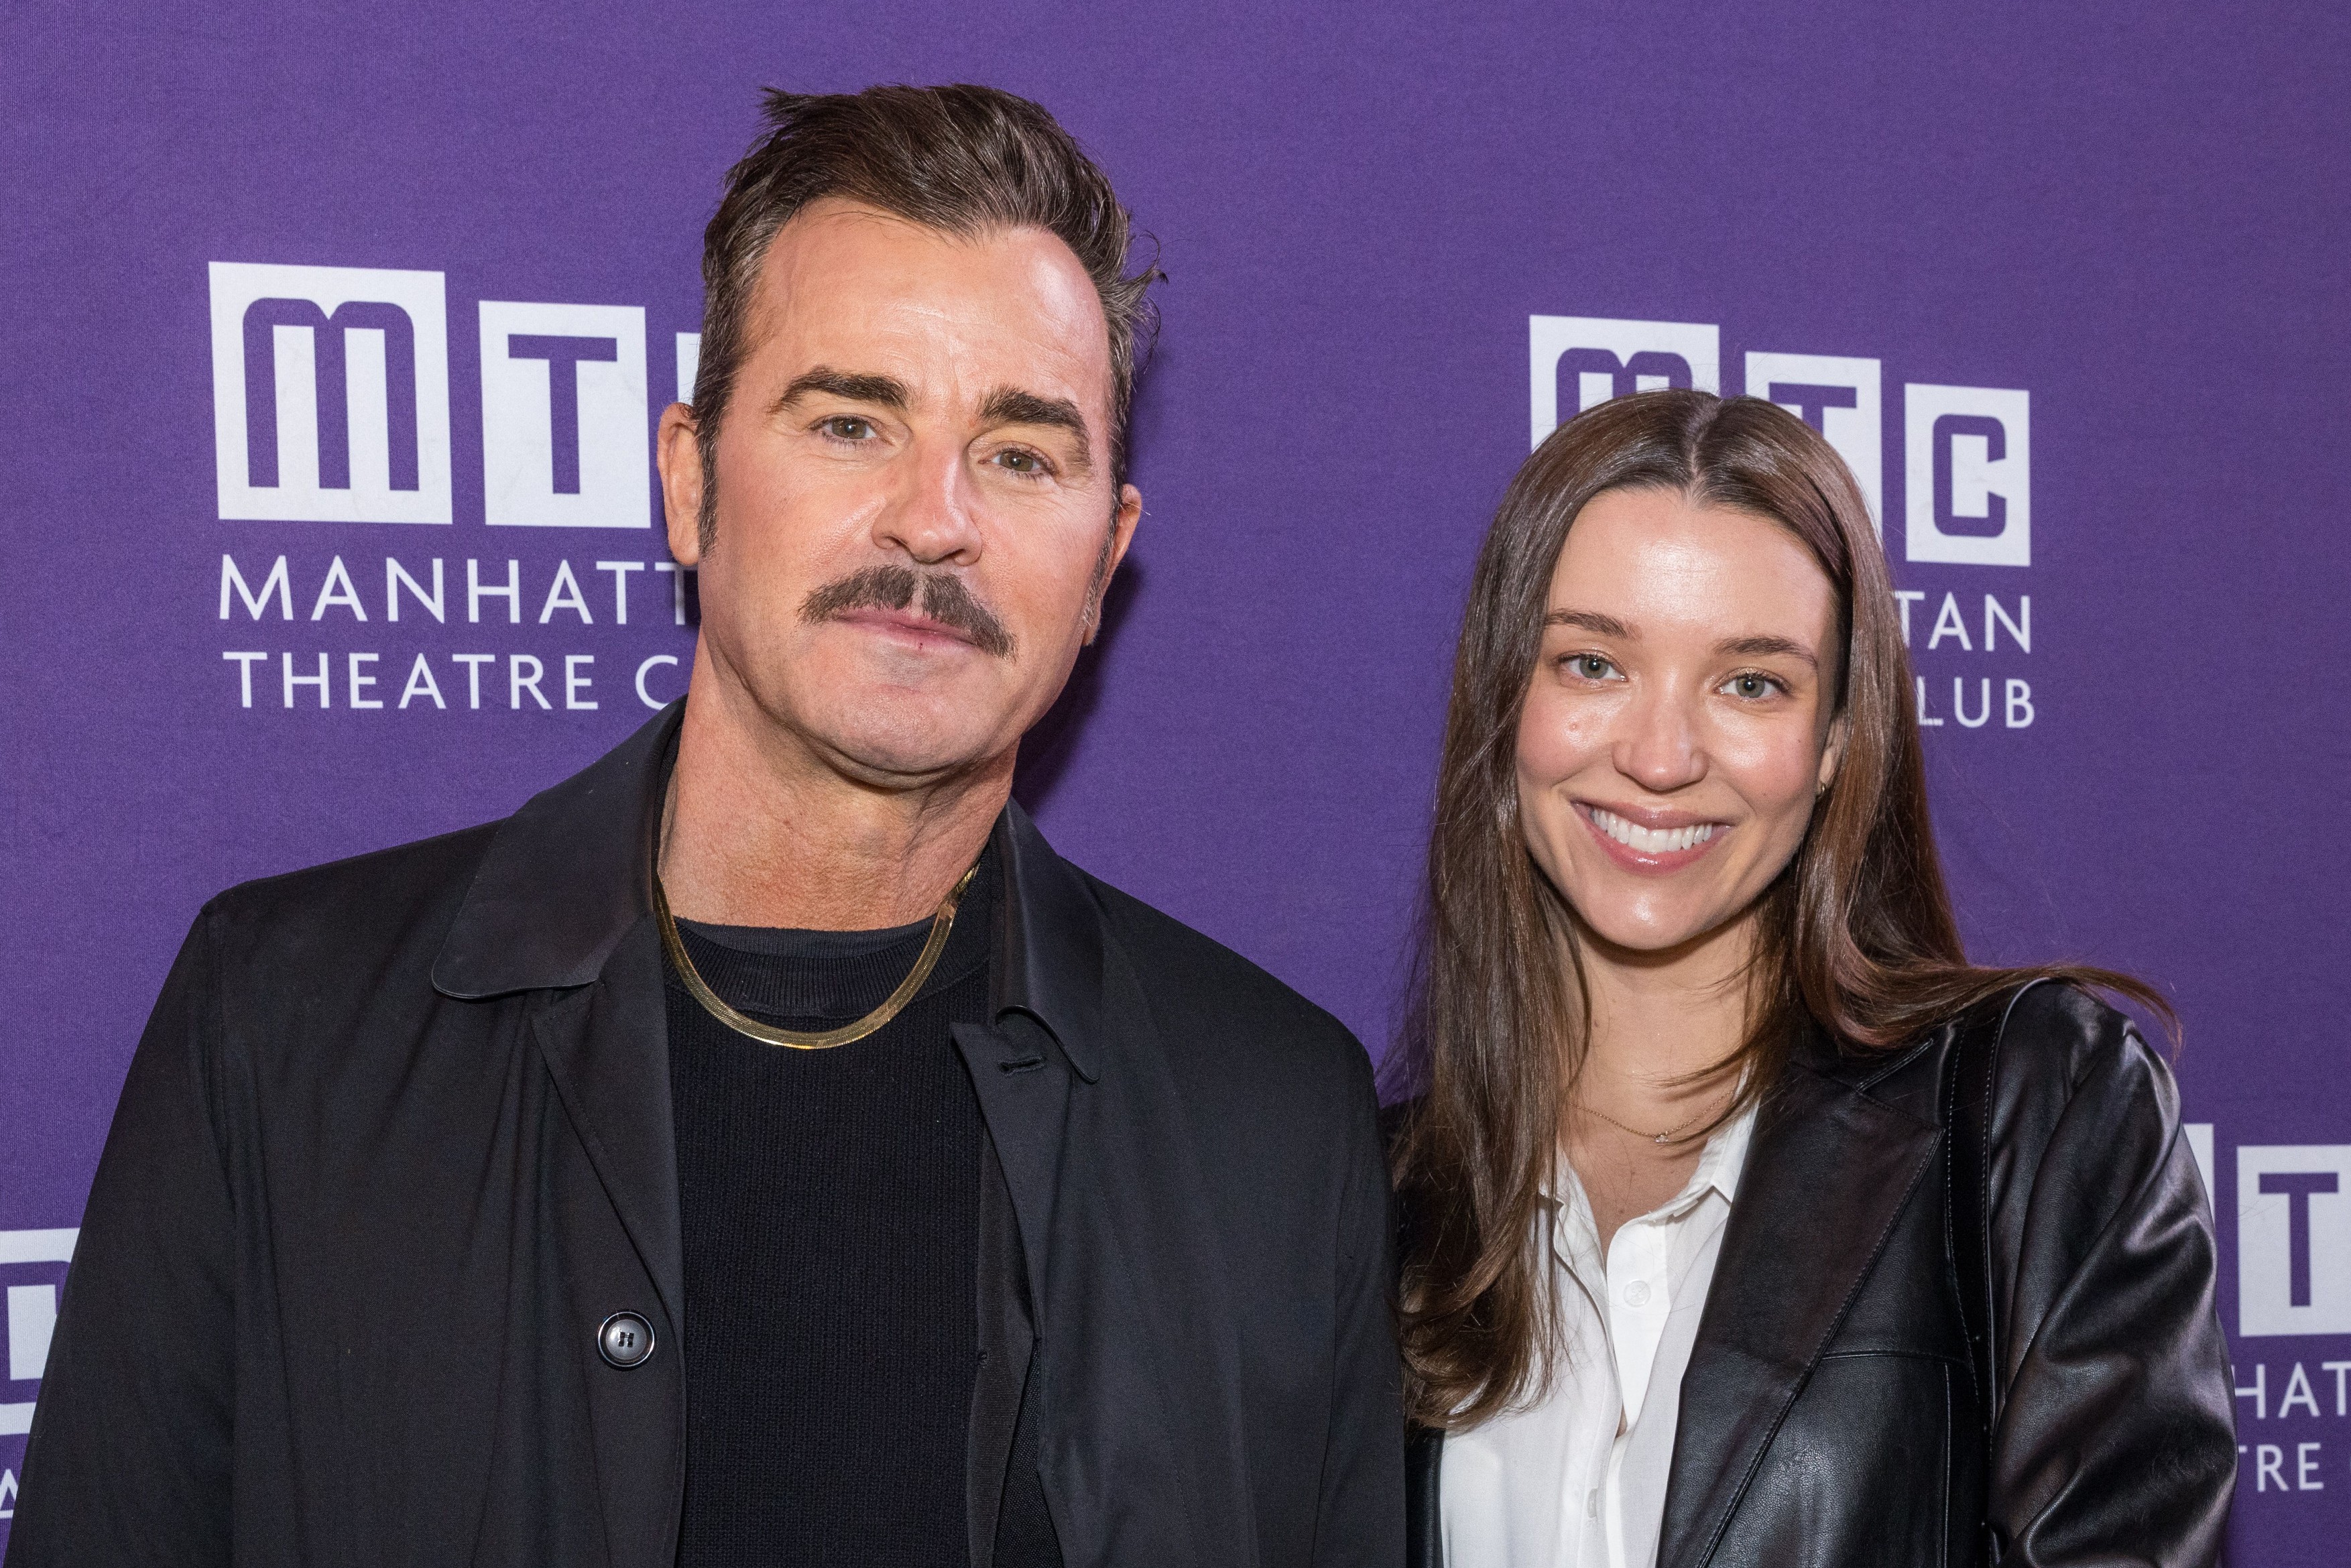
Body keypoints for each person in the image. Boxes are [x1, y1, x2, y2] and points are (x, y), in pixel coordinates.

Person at [8, 84, 1401, 1568]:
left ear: (1104, 552)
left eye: (1018, 453)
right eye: (851, 422)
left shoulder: (1270, 1117)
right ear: (687, 482)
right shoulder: (284, 1025)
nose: (931, 522)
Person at [1386, 389, 2234, 1568]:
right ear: (1506, 703)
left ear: (1838, 740)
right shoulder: (1384, 1199)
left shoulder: (2030, 1116)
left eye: (1751, 684)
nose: (1659, 756)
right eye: (1592, 662)